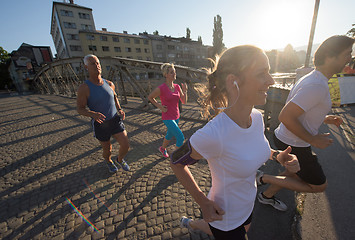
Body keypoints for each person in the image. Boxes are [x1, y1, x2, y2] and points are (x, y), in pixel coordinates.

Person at [170, 45, 300, 240]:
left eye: (269, 72)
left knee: (245, 229)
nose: (271, 80)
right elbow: (176, 161)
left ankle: (192, 223)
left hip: (248, 204)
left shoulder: (256, 117)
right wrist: (203, 202)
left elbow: (256, 148)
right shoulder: (214, 134)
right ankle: (194, 223)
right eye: (262, 73)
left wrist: (277, 156)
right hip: (225, 216)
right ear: (234, 81)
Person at [258, 35, 354, 211]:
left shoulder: (313, 77)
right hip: (294, 143)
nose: (350, 57)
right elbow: (286, 116)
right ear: (331, 56)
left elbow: (302, 111)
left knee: (292, 172)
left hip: (288, 138)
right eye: (347, 53)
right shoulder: (317, 85)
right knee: (319, 185)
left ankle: (266, 196)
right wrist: (314, 139)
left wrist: (325, 118)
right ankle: (263, 179)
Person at [76, 54, 130, 173]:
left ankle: (120, 160)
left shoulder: (110, 84)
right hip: (100, 124)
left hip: (115, 120)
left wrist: (119, 109)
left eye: (98, 63)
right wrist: (92, 114)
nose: (97, 66)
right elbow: (80, 108)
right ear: (86, 67)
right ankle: (109, 161)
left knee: (125, 144)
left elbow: (114, 97)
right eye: (92, 64)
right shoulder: (84, 88)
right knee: (107, 150)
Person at [148, 63, 188, 158]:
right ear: (166, 75)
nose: (174, 74)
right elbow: (150, 97)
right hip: (167, 117)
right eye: (171, 72)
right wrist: (160, 106)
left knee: (169, 135)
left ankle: (162, 148)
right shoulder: (161, 88)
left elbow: (184, 101)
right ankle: (175, 157)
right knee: (180, 137)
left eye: (174, 72)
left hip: (176, 115)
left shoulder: (177, 87)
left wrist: (185, 91)